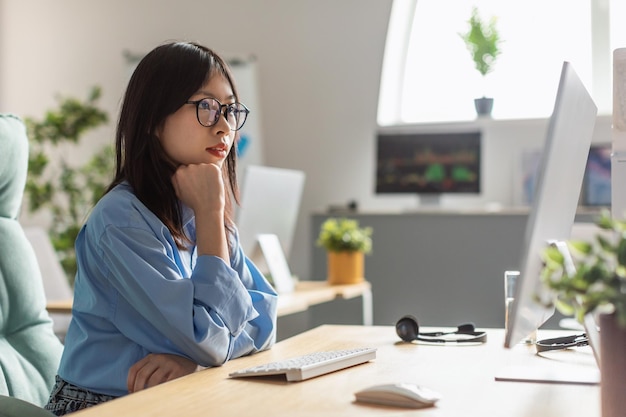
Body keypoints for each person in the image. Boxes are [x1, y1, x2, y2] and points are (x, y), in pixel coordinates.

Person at [45, 41, 278, 415]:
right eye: (206, 107)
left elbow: (264, 324)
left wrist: (198, 362)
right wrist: (204, 354)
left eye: (230, 109)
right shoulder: (120, 219)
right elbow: (209, 339)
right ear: (153, 120)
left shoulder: (204, 209)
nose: (224, 126)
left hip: (177, 397)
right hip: (100, 406)